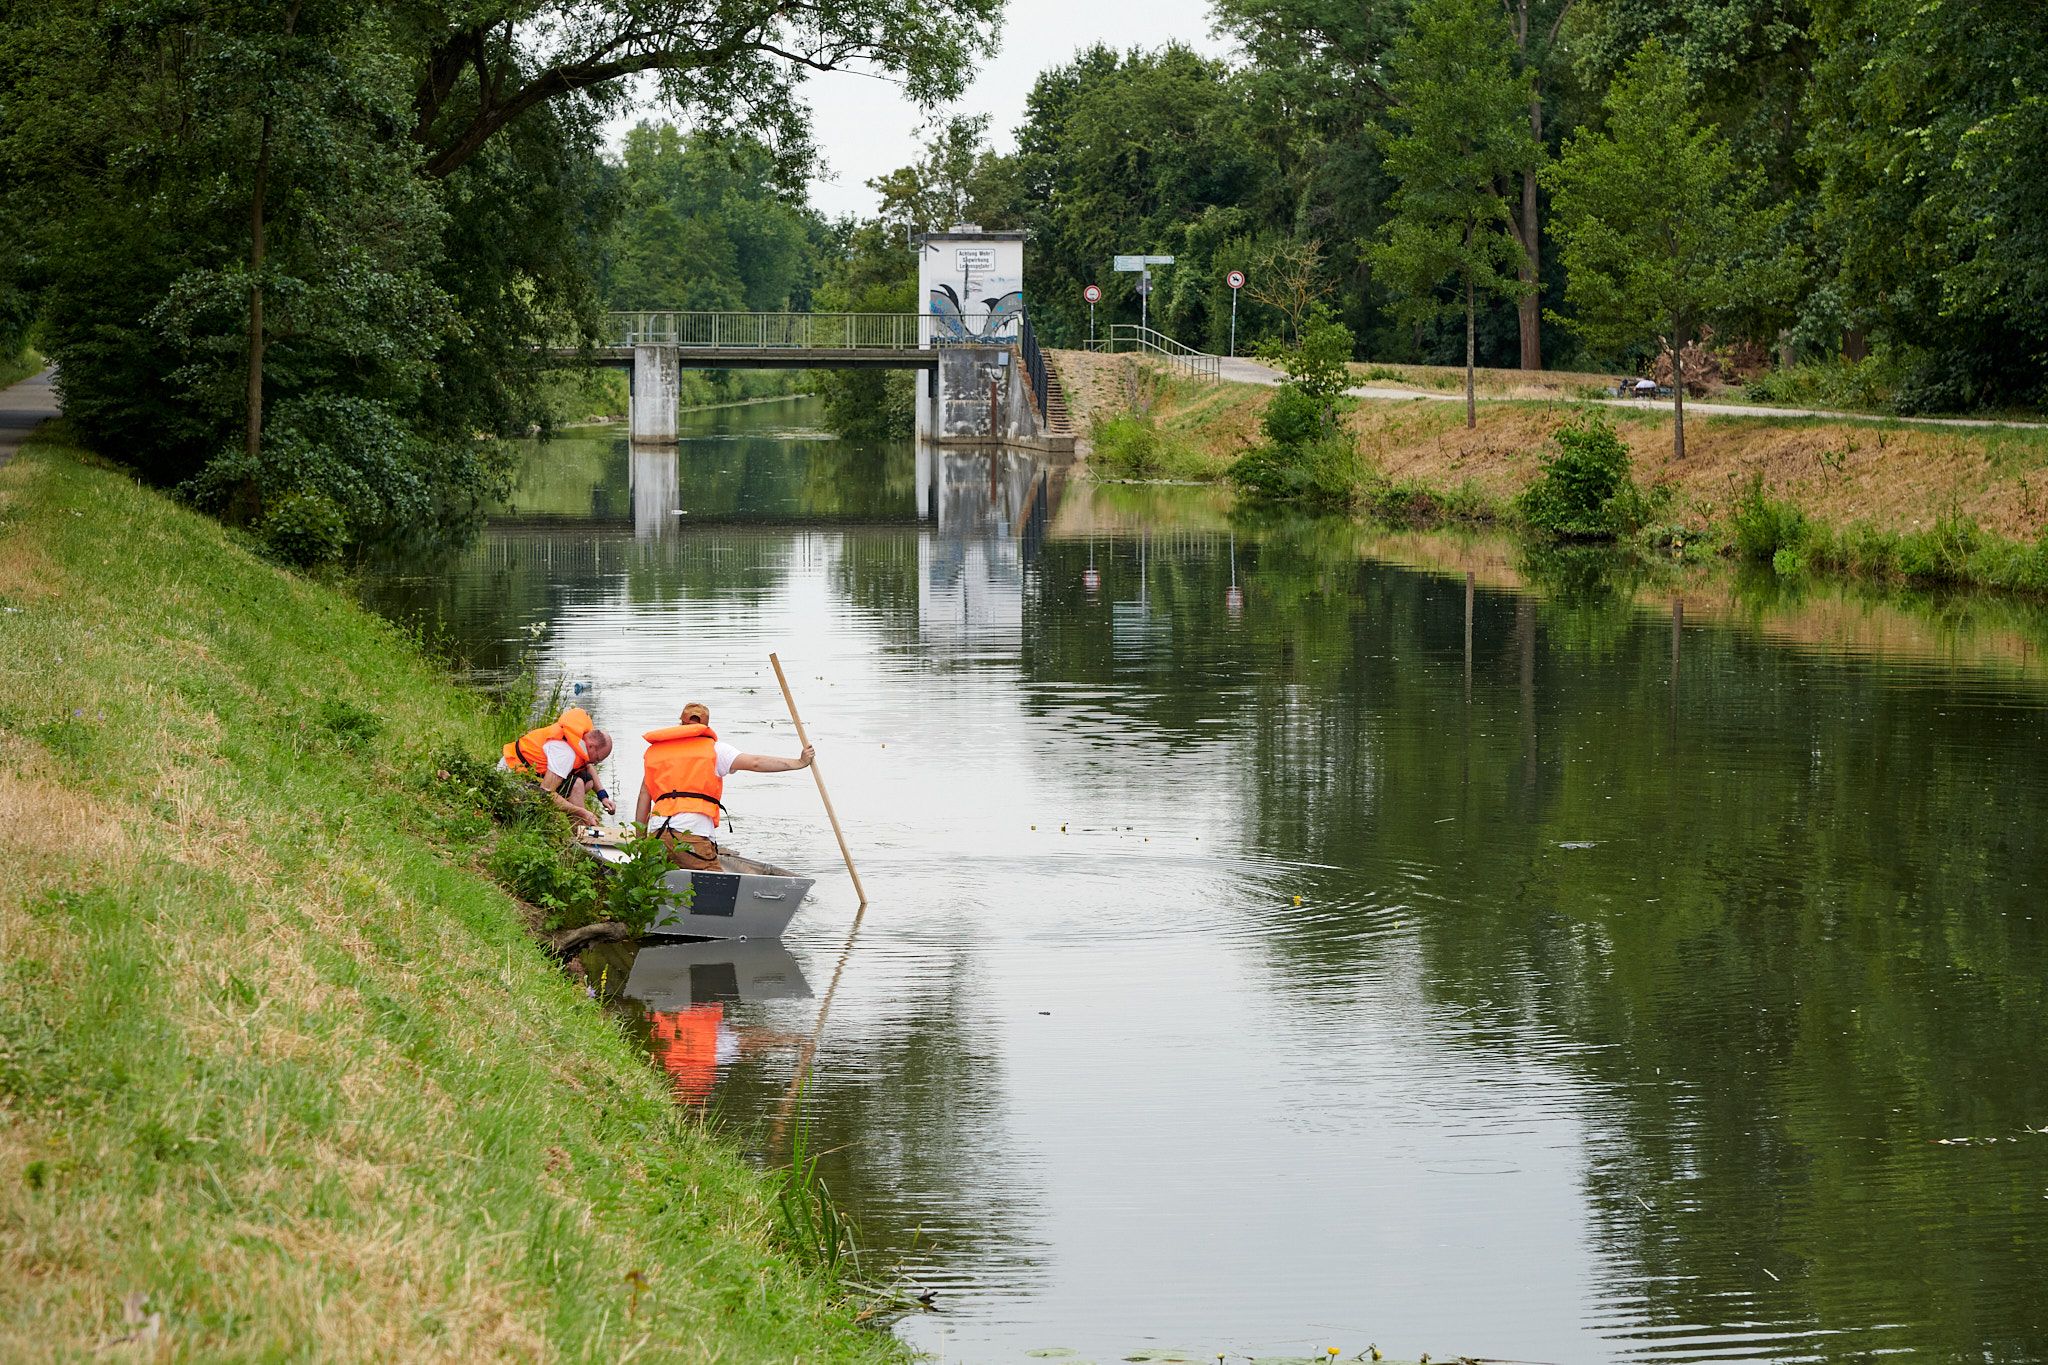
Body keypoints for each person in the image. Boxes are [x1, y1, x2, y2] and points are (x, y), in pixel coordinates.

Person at [636, 701, 814, 869]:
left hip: (657, 834)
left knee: (662, 883)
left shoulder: (657, 752)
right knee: (716, 886)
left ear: (680, 723)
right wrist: (798, 762)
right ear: (706, 725)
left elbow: (644, 795)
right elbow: (756, 763)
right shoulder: (715, 750)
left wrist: (640, 841)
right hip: (691, 834)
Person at [501, 706, 615, 827]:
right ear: (591, 746)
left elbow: (588, 767)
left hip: (532, 769)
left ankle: (580, 824)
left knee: (588, 781)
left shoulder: (583, 737)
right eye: (597, 759)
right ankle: (579, 830)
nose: (594, 763)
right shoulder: (565, 754)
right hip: (513, 774)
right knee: (577, 785)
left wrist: (603, 797)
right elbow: (546, 793)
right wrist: (581, 812)